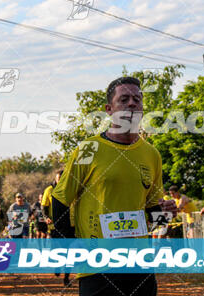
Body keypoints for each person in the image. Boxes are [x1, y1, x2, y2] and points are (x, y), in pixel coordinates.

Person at [52, 76, 176, 296]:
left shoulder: (151, 154)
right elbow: (60, 198)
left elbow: (152, 213)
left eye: (137, 99)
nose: (131, 104)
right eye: (124, 99)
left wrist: (165, 213)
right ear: (109, 109)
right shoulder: (89, 149)